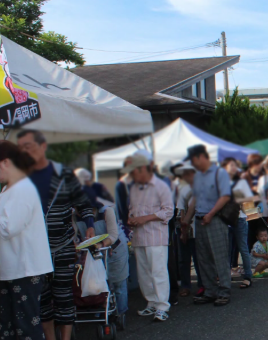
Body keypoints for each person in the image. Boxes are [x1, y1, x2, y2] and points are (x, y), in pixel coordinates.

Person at [18, 130, 95, 340]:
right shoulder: (22, 177)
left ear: (42, 147)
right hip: (35, 250)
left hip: (62, 247)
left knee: (63, 296)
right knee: (42, 299)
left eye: (29, 146)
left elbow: (84, 205)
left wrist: (89, 225)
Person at [0, 141, 53, 340]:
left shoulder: (23, 188)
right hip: (10, 269)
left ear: (5, 162)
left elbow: (8, 228)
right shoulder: (7, 190)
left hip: (25, 269)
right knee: (8, 328)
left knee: (25, 328)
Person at [122, 153, 175, 321]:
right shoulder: (134, 188)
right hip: (139, 236)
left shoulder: (160, 186)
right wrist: (130, 219)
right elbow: (132, 209)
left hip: (156, 235)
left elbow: (169, 210)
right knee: (143, 272)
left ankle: (162, 305)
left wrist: (144, 218)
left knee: (158, 271)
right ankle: (151, 302)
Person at [187, 144, 233, 307]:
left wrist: (211, 214)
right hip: (200, 219)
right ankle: (210, 290)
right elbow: (195, 199)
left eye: (193, 160)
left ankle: (224, 291)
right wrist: (187, 218)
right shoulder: (198, 176)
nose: (193, 164)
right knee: (203, 257)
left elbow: (225, 196)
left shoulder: (220, 173)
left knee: (219, 256)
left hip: (216, 219)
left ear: (201, 157)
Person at [76, 188, 130, 318]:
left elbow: (113, 234)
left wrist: (100, 245)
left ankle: (121, 313)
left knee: (118, 283)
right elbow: (75, 236)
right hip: (94, 254)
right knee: (99, 284)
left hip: (114, 250)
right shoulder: (74, 216)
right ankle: (102, 311)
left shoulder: (107, 211)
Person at [221, 157, 256, 289]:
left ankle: (248, 276)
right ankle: (226, 276)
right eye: (230, 165)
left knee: (243, 248)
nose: (233, 168)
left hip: (239, 218)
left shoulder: (240, 182)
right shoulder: (221, 181)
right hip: (224, 219)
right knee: (227, 249)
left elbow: (248, 200)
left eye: (235, 165)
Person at [175, 161, 201, 298]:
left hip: (200, 228)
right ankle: (185, 285)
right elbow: (181, 211)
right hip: (187, 228)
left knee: (199, 259)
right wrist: (183, 230)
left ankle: (202, 284)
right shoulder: (183, 189)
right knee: (184, 259)